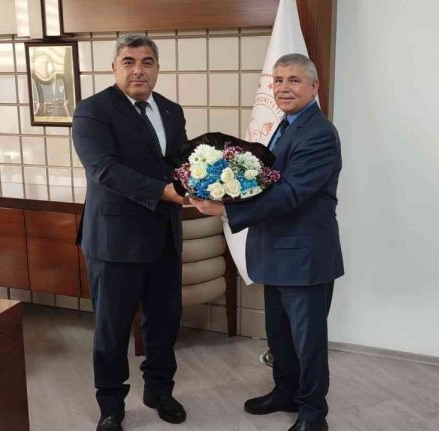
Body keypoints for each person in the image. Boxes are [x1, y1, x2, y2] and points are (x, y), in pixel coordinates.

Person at [190, 53, 343, 431]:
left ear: (314, 86)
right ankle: (285, 391)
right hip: (275, 251)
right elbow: (268, 181)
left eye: (294, 80)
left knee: (307, 341)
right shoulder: (287, 124)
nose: (283, 88)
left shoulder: (319, 133)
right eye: (278, 80)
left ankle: (313, 414)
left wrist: (225, 208)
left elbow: (291, 194)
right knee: (279, 334)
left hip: (303, 257)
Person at [72, 34, 188, 431]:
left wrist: (205, 184)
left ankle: (159, 390)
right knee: (112, 329)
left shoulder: (171, 110)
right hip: (114, 241)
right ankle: (111, 405)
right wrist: (165, 191)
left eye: (147, 62)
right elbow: (105, 170)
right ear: (114, 67)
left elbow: (180, 164)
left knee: (164, 322)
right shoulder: (92, 111)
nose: (139, 70)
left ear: (157, 67)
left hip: (165, 237)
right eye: (129, 61)